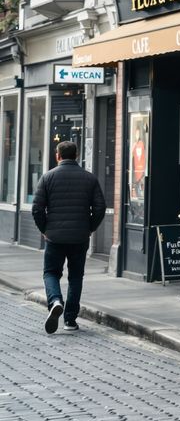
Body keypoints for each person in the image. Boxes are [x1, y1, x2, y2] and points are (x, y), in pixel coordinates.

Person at [31, 142, 106, 334]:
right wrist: (90, 227)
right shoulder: (89, 179)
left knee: (51, 273)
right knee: (75, 277)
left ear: (58, 156)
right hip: (79, 238)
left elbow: (37, 208)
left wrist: (44, 229)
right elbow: (100, 208)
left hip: (54, 237)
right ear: (77, 155)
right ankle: (70, 320)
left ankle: (55, 301)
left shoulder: (47, 177)